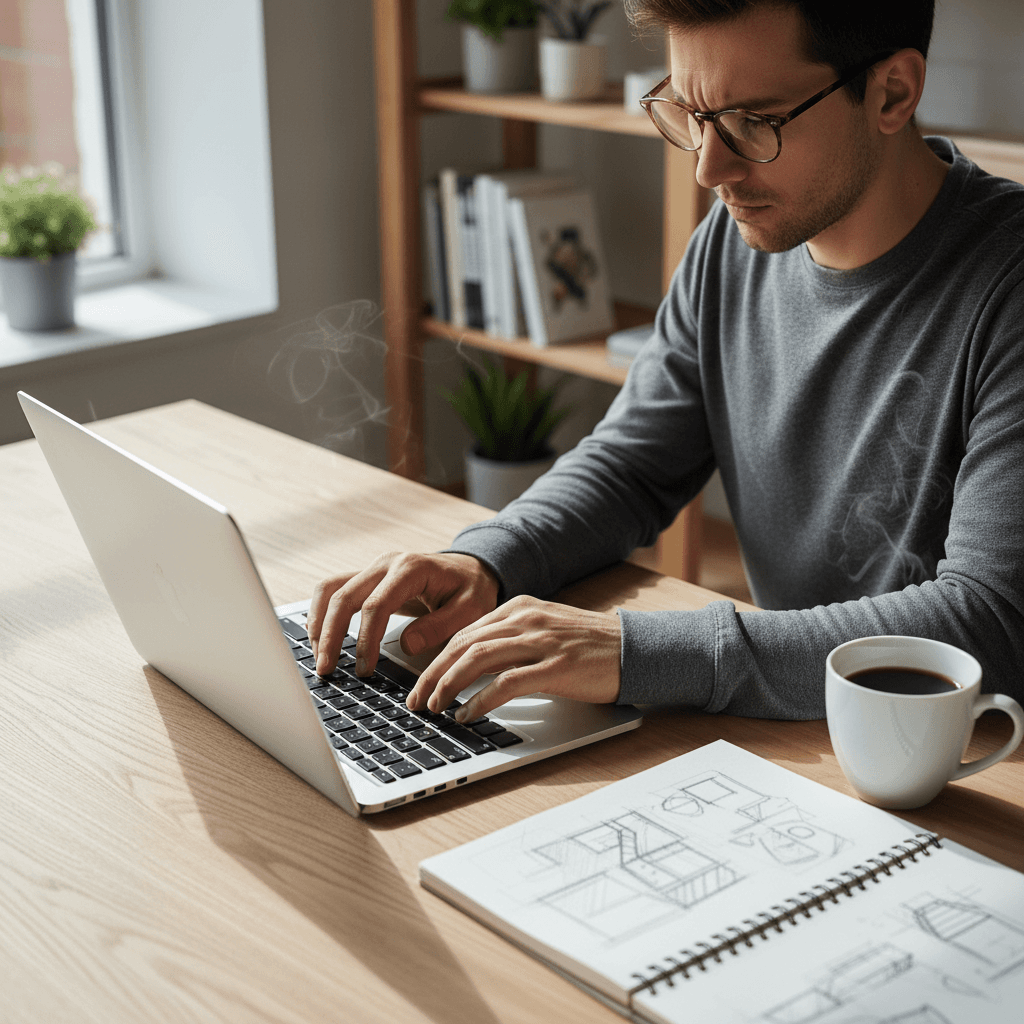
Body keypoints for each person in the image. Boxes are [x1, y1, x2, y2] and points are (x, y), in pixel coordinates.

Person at [309, 0, 1024, 724]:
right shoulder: (731, 244)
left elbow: (987, 623)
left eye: (755, 122)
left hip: (972, 761)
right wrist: (490, 559)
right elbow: (634, 464)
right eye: (692, 114)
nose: (709, 169)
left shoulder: (1008, 287)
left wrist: (633, 652)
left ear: (893, 93)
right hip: (802, 731)